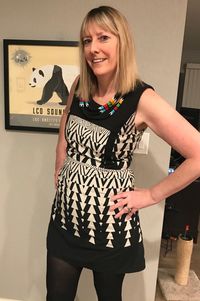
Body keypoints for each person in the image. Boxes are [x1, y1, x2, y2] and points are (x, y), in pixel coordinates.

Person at [46, 5, 200, 301]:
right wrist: (59, 163)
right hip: (65, 218)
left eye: (103, 37)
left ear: (122, 42)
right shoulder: (79, 85)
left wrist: (152, 195)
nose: (93, 48)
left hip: (109, 224)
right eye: (87, 40)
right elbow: (65, 125)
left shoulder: (142, 99)